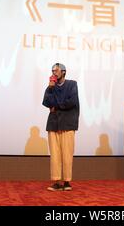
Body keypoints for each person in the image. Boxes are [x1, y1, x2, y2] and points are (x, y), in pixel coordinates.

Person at [42, 63, 79, 191]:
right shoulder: (50, 87)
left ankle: (67, 182)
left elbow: (72, 102)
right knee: (55, 154)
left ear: (63, 72)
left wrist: (56, 106)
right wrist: (50, 88)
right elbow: (46, 102)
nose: (54, 73)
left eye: (56, 71)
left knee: (67, 153)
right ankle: (56, 181)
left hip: (68, 123)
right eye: (52, 71)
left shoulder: (72, 84)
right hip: (53, 124)